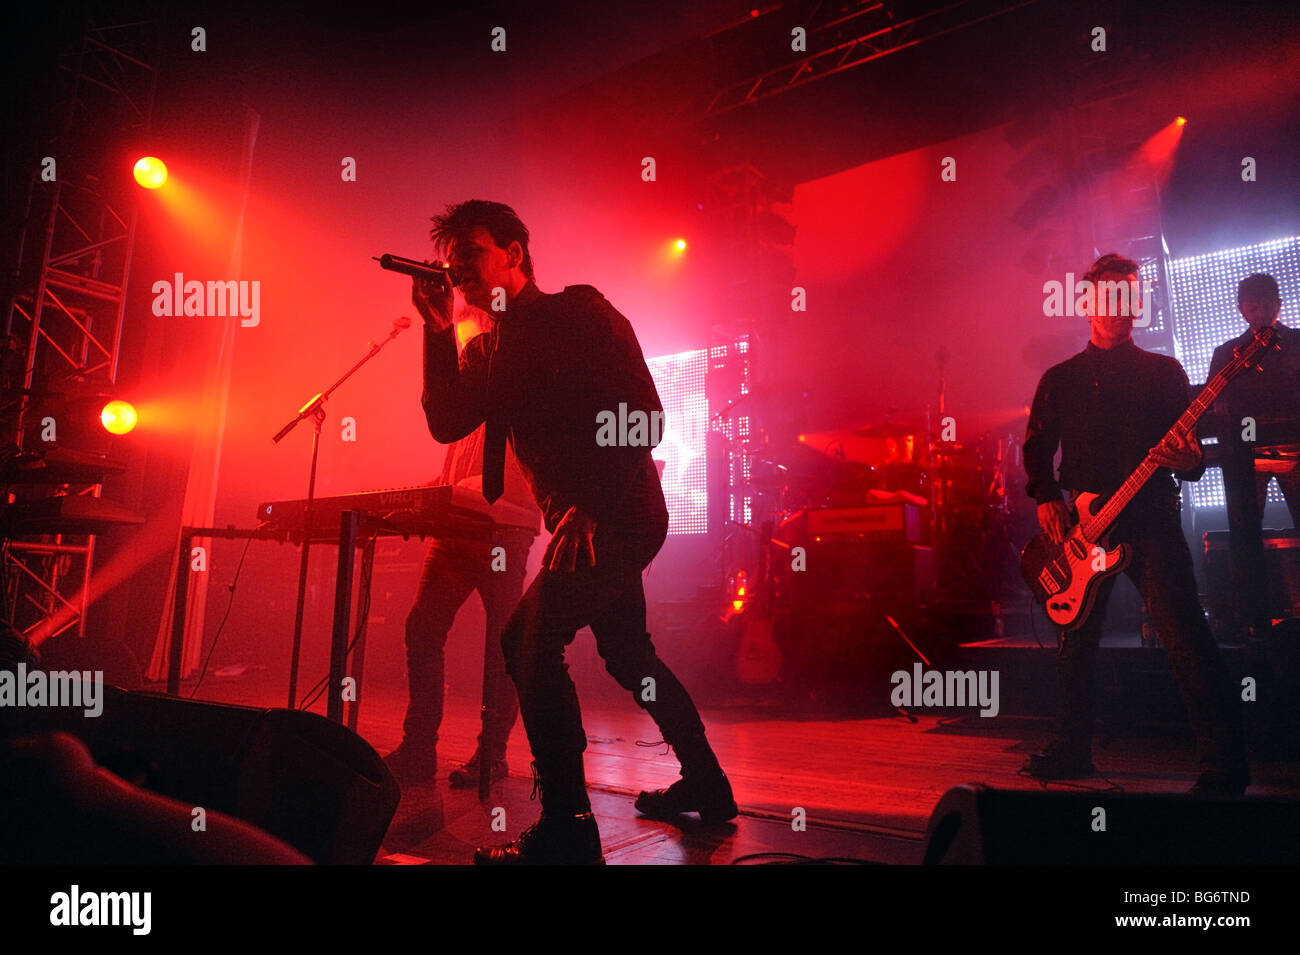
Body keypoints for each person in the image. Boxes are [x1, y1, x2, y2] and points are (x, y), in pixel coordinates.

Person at [415, 200, 734, 864]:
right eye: (452, 261)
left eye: (471, 253)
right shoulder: (489, 348)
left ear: (514, 252)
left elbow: (643, 414)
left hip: (619, 513)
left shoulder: (578, 313)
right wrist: (437, 330)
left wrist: (591, 503)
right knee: (629, 656)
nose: (458, 268)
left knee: (526, 644)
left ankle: (567, 827)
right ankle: (706, 781)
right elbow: (446, 419)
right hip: (583, 523)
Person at [1022, 253, 1249, 796]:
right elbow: (1036, 447)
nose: (1120, 309)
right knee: (1074, 646)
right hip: (1083, 530)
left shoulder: (1164, 372)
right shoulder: (1060, 380)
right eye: (1109, 298)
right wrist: (1047, 497)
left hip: (1150, 522)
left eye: (1129, 297)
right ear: (1086, 304)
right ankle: (1070, 750)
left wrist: (1187, 460)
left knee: (1186, 637)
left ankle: (1223, 765)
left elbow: (1193, 459)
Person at [383, 307, 541, 788]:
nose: (463, 354)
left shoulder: (520, 389)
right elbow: (457, 475)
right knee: (422, 630)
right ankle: (418, 749)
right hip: (455, 535)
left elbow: (522, 477)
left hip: (502, 534)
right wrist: (428, 491)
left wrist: (462, 489)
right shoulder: (463, 406)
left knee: (505, 646)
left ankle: (491, 757)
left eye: (470, 341)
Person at [1207, 273, 1300, 639]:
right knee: (1244, 534)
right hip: (1246, 454)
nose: (1259, 309)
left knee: (1246, 533)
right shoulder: (1225, 353)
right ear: (1241, 309)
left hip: (1292, 448)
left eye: (1265, 303)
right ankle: (1250, 619)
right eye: (1252, 303)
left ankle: (1253, 624)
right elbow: (1215, 404)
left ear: (1278, 305)